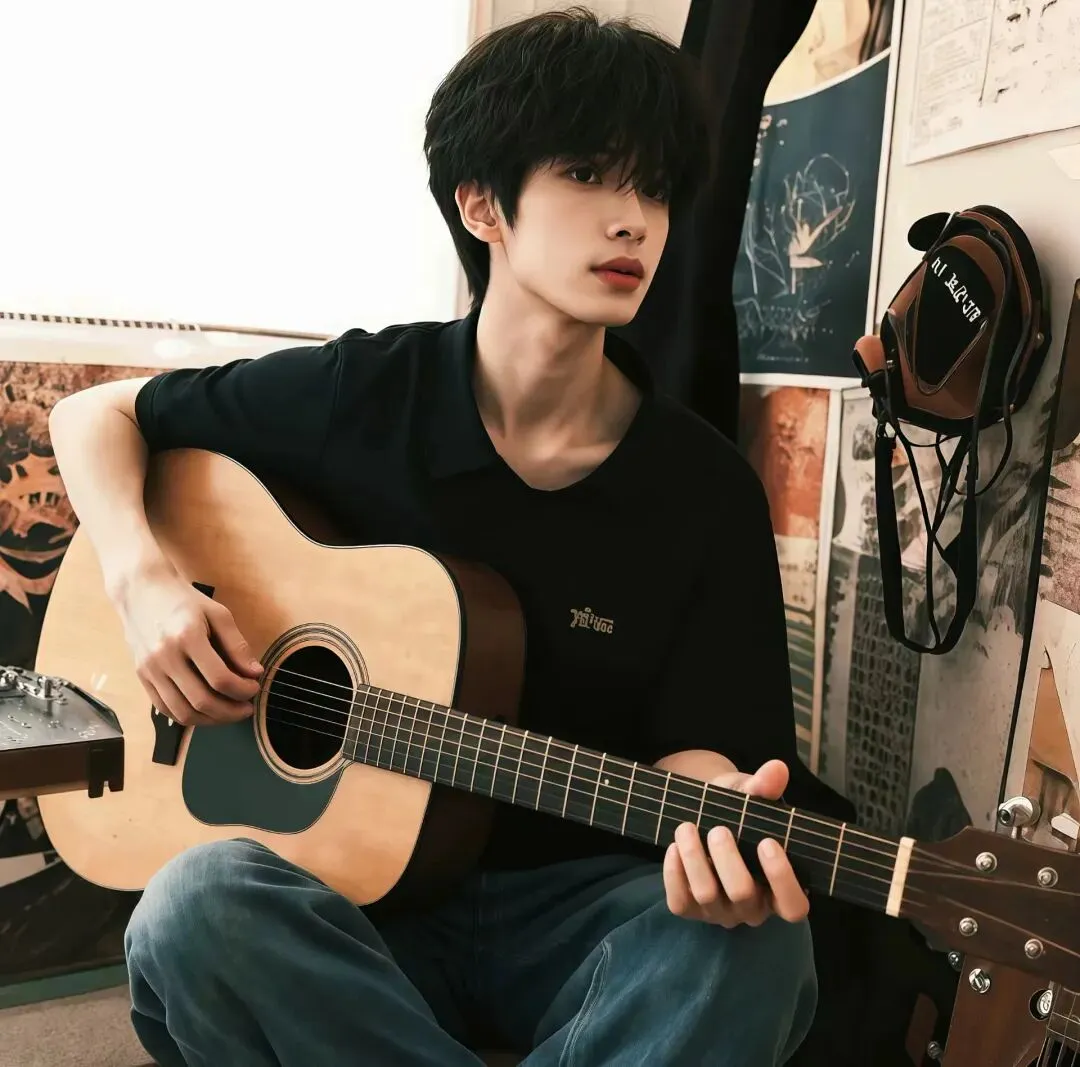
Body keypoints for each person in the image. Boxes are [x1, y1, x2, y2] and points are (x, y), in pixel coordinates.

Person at [49, 8, 817, 1066]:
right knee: (194, 905)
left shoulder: (706, 490)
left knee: (760, 945)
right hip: (355, 913)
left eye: (653, 189)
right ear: (480, 202)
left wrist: (717, 809)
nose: (633, 221)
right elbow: (93, 416)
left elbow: (704, 746)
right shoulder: (366, 391)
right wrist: (144, 582)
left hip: (578, 911)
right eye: (588, 174)